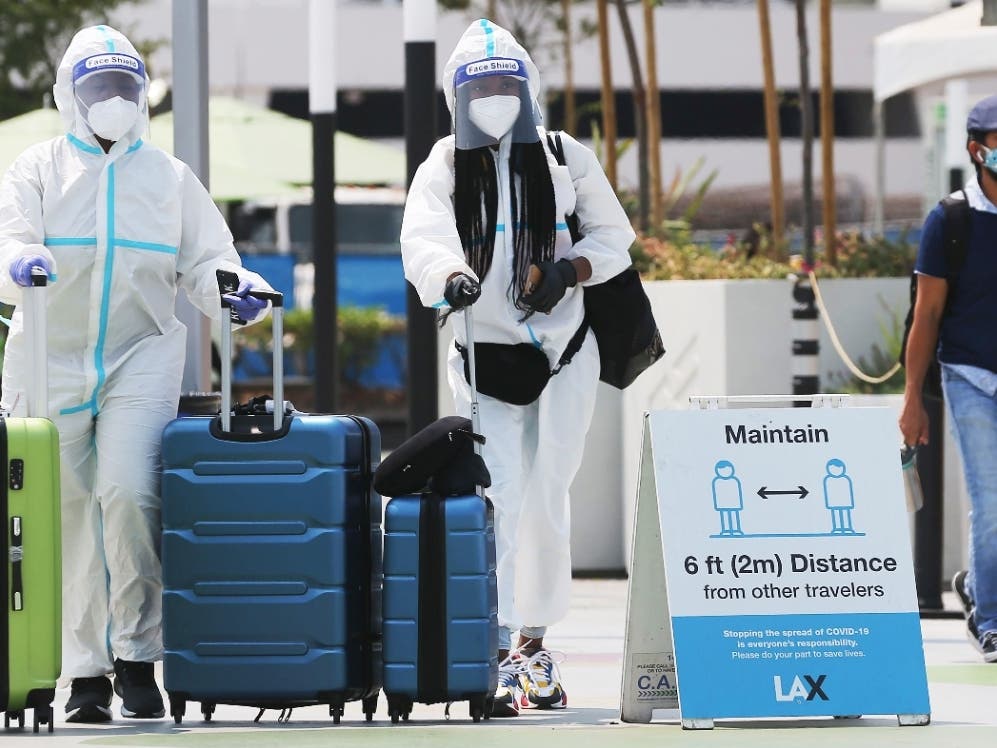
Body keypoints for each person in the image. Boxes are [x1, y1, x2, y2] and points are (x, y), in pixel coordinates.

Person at [0, 25, 274, 722]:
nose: (112, 101)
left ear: (142, 97)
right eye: (99, 88)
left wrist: (239, 291)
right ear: (70, 96)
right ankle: (85, 675)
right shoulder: (36, 168)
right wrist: (20, 262)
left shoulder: (169, 178)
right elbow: (8, 240)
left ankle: (136, 659)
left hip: (140, 353)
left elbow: (212, 259)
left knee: (128, 495)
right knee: (64, 515)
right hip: (46, 356)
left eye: (124, 87)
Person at [400, 19, 635, 716]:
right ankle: (494, 642)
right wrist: (450, 277)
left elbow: (615, 238)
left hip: (563, 352)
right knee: (494, 494)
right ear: (456, 95)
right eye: (481, 87)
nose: (495, 97)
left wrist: (567, 270)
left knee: (548, 494)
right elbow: (423, 238)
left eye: (507, 84)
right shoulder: (443, 163)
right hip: (482, 354)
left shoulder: (565, 156)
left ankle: (533, 643)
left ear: (528, 89)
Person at [899, 93, 997, 664]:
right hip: (970, 376)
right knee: (989, 500)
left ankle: (977, 588)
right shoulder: (950, 220)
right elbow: (927, 315)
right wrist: (914, 400)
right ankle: (990, 620)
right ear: (975, 151)